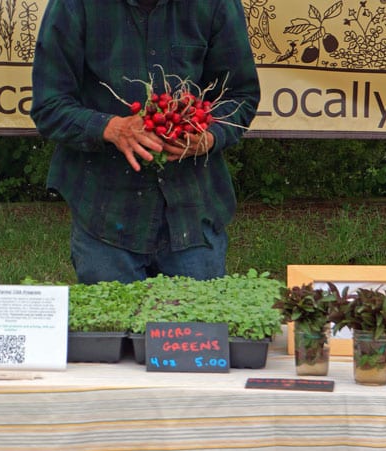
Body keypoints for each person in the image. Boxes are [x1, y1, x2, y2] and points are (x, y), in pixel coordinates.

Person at [30, 0, 260, 285]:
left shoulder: (215, 5)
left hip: (191, 209)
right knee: (112, 328)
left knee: (197, 327)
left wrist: (210, 136)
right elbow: (48, 105)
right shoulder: (74, 6)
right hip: (105, 211)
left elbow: (241, 95)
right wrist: (111, 128)